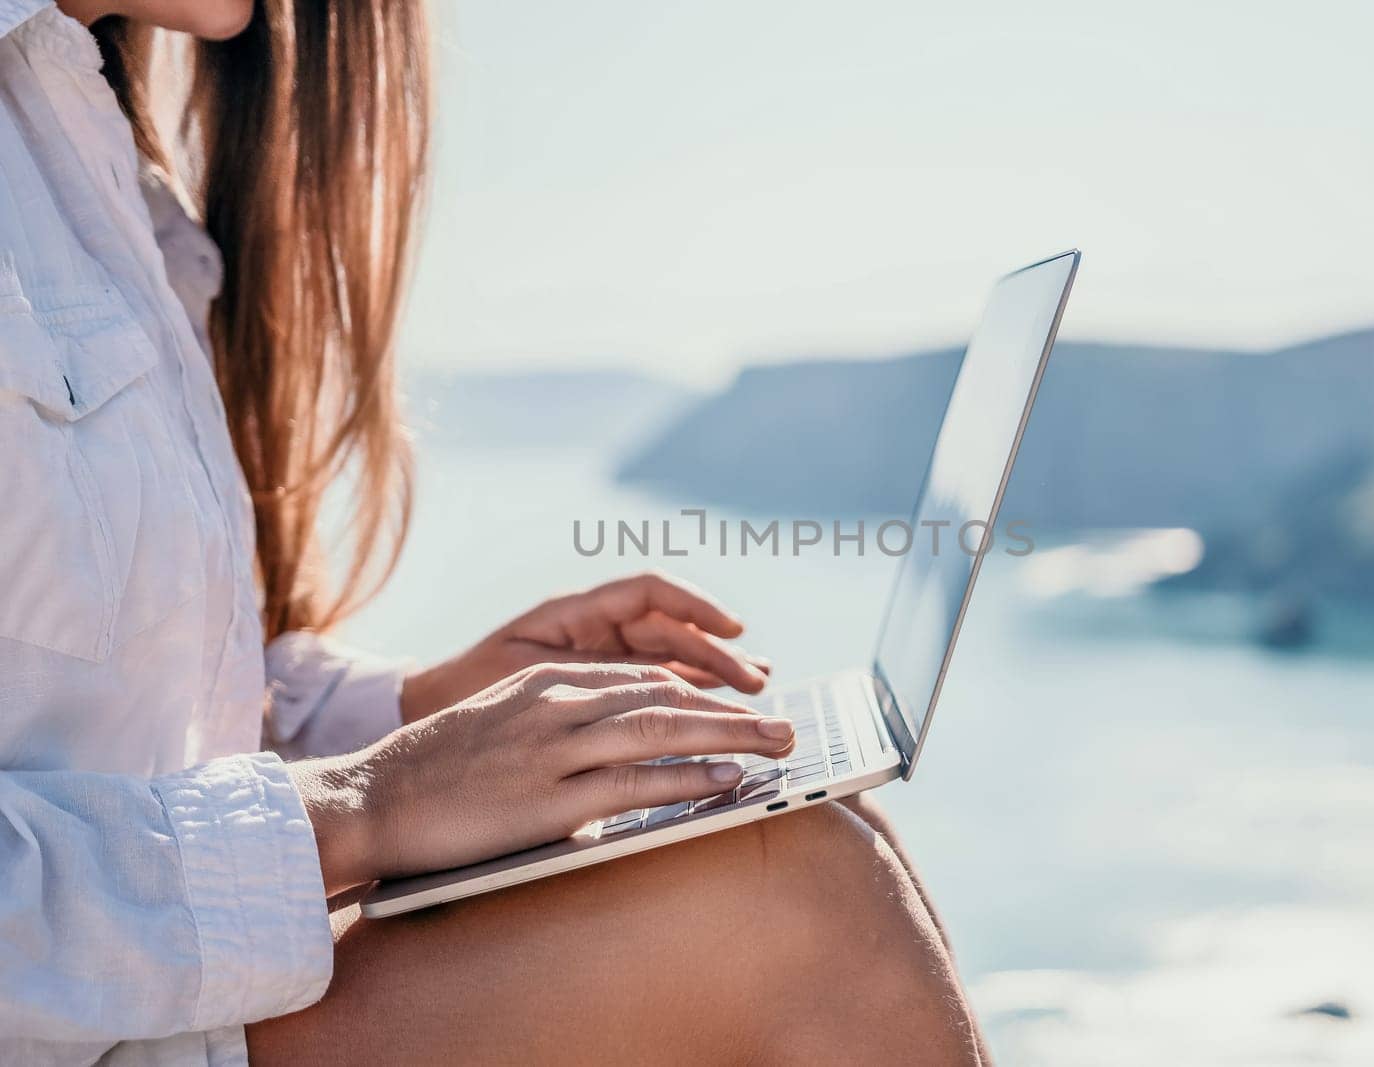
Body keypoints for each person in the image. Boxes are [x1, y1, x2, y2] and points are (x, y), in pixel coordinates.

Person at [0, 0, 990, 1062]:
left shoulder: (89, 155)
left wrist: (424, 711)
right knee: (799, 898)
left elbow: (97, 722)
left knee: (800, 827)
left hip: (131, 1006)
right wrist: (361, 806)